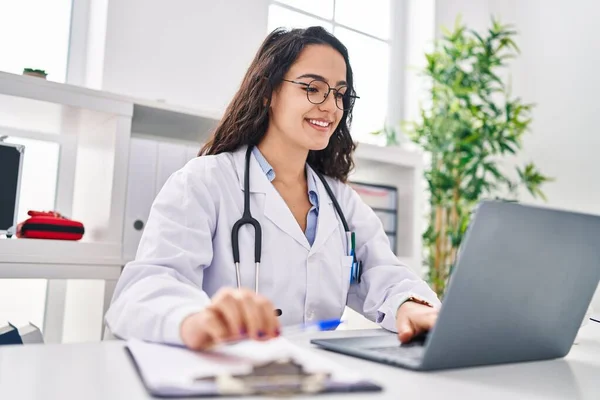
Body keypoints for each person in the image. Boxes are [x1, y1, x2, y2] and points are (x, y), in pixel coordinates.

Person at [105, 26, 440, 350]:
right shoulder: (205, 181)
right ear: (268, 92)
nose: (331, 106)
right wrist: (195, 317)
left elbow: (384, 272)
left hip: (315, 379)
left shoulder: (340, 201)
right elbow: (147, 287)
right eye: (313, 88)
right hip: (226, 374)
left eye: (340, 93)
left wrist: (409, 305)